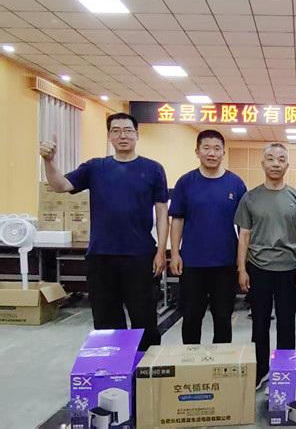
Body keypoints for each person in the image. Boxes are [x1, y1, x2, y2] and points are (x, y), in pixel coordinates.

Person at [39, 113, 168, 351]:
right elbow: (60, 186)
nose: (122, 135)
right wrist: (49, 161)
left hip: (140, 256)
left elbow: (162, 212)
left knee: (144, 318)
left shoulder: (153, 169)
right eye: (116, 130)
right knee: (106, 320)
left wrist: (161, 252)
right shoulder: (95, 167)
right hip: (101, 256)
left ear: (137, 135)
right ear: (109, 136)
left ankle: (144, 367)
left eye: (128, 130)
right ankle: (113, 367)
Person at [234, 143, 296, 391]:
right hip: (258, 268)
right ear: (262, 163)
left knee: (287, 323)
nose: (276, 164)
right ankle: (260, 371)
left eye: (281, 159)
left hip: (289, 268)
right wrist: (242, 268)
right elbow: (244, 235)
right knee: (259, 323)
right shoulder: (250, 197)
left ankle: (285, 371)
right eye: (271, 159)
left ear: (287, 164)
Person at [169, 130, 246, 345]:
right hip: (192, 263)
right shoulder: (186, 182)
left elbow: (245, 227)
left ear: (223, 153)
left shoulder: (235, 184)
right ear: (197, 151)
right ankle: (190, 359)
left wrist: (242, 263)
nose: (212, 153)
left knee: (223, 318)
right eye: (206, 148)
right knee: (191, 317)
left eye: (216, 149)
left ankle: (220, 362)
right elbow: (177, 220)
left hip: (225, 263)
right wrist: (175, 253)